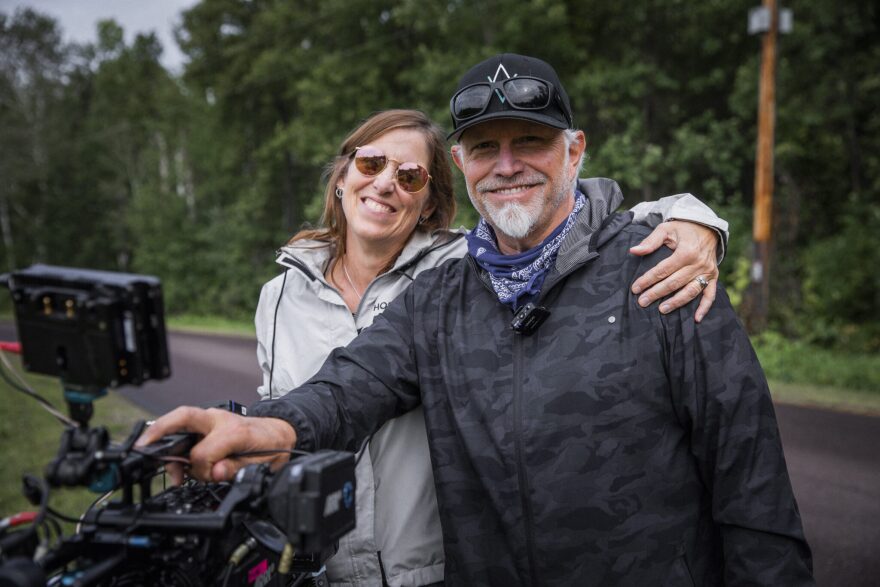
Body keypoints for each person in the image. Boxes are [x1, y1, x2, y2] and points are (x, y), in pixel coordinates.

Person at [140, 54, 813, 586]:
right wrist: (262, 427)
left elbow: (752, 488)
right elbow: (348, 385)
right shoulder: (440, 297)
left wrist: (699, 219)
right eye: (485, 147)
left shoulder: (659, 269)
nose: (508, 164)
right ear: (461, 165)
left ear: (574, 151)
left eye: (531, 141)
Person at [250, 109, 725, 587]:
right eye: (372, 164)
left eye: (410, 176)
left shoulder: (471, 267)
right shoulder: (280, 295)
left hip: (428, 571)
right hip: (318, 571)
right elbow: (307, 403)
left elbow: (577, 224)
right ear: (344, 173)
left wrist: (695, 221)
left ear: (429, 202)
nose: (386, 183)